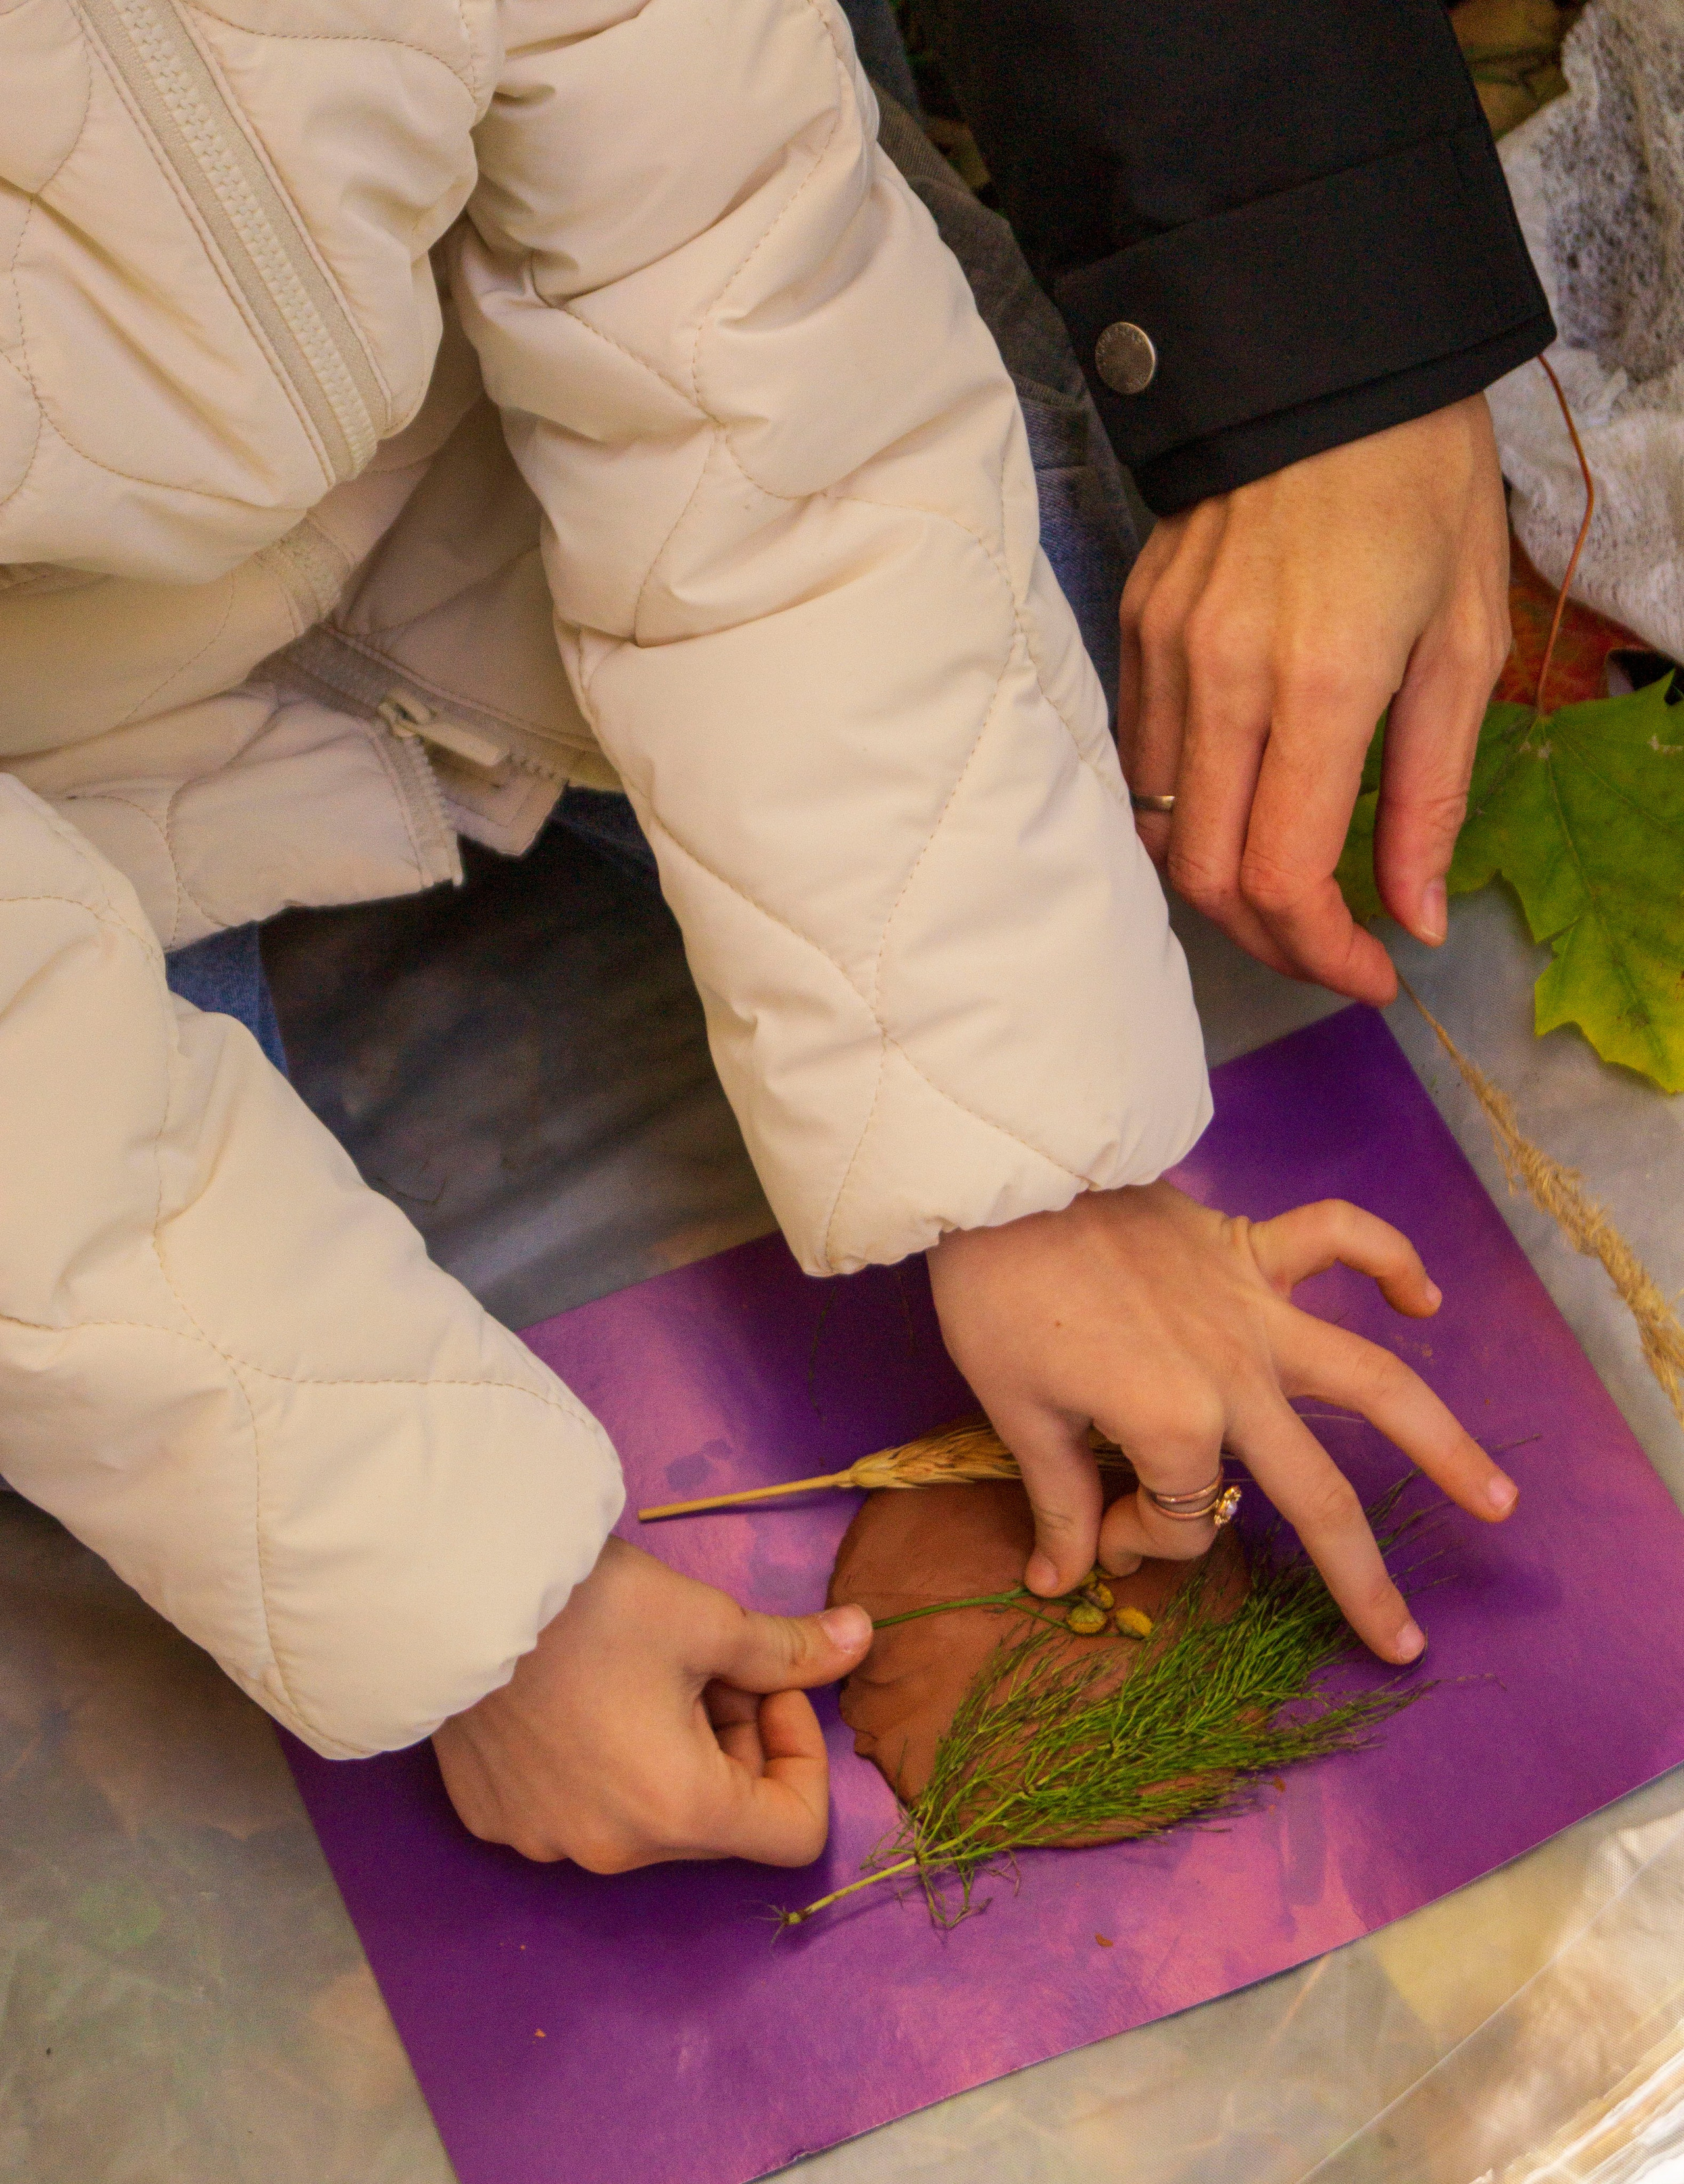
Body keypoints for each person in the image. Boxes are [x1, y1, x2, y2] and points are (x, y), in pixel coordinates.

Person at [0, 0, 1541, 1874]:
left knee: (1043, 620)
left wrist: (1018, 1160)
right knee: (141, 1450)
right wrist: (470, 1598)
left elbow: (740, 299)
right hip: (63, 768)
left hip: (484, 471)